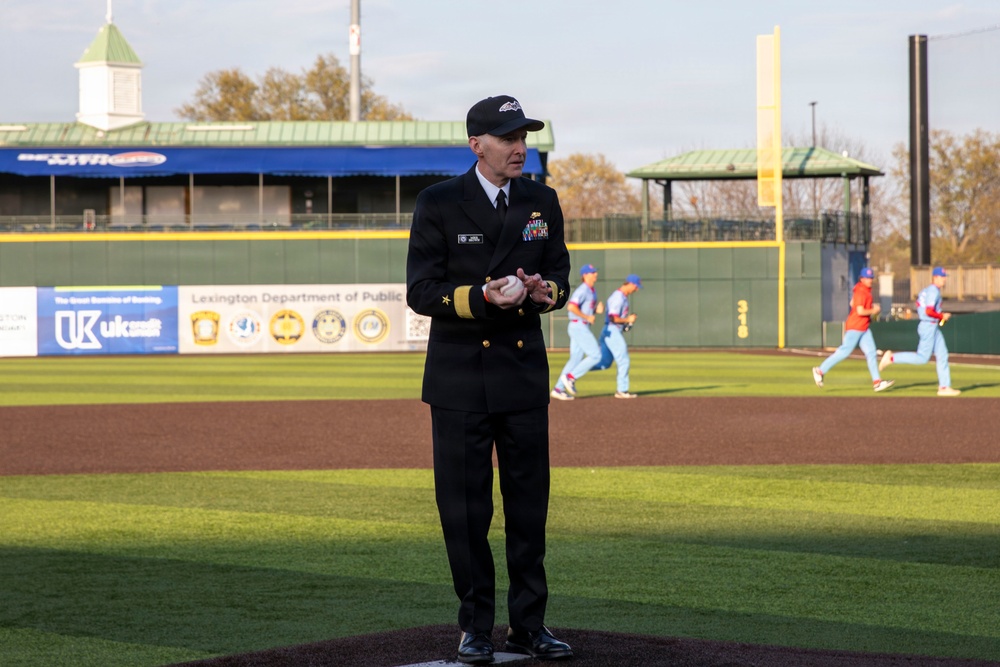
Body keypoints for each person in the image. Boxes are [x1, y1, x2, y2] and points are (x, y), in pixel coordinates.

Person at [405, 94, 574, 665]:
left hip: (522, 372)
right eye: (507, 138)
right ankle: (474, 627)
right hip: (459, 378)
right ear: (476, 144)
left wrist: (547, 293)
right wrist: (481, 297)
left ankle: (530, 625)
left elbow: (559, 276)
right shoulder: (438, 202)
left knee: (529, 508)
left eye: (524, 135)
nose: (519, 147)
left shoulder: (541, 199)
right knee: (467, 511)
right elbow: (420, 292)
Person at [878, 266, 960, 396]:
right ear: (935, 277)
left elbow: (920, 306)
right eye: (942, 277)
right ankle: (892, 358)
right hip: (928, 325)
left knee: (942, 354)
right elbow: (928, 310)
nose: (944, 279)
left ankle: (944, 387)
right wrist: (941, 316)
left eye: (944, 277)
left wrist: (938, 316)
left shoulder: (926, 290)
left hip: (930, 325)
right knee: (922, 358)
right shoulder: (933, 291)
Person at [812, 267, 894, 392]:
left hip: (864, 327)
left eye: (871, 278)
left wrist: (869, 308)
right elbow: (860, 311)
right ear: (861, 278)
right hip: (856, 326)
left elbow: (852, 303)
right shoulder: (861, 291)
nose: (870, 280)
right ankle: (820, 371)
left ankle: (877, 382)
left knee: (871, 353)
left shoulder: (862, 290)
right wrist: (874, 310)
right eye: (867, 278)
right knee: (844, 351)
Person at [551, 263, 604, 401]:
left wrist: (594, 311)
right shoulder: (583, 290)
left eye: (595, 272)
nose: (595, 274)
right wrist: (587, 316)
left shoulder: (591, 290)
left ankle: (558, 389)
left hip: (581, 326)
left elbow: (584, 310)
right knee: (596, 355)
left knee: (575, 359)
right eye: (592, 272)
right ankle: (570, 377)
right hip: (578, 326)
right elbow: (571, 307)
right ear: (585, 275)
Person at [593, 274, 641, 399]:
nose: (637, 289)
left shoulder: (623, 297)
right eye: (636, 286)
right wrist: (627, 319)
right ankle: (622, 390)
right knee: (624, 360)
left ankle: (573, 373)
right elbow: (612, 317)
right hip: (612, 330)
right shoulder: (618, 297)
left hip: (611, 330)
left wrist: (626, 322)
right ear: (629, 284)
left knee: (604, 363)